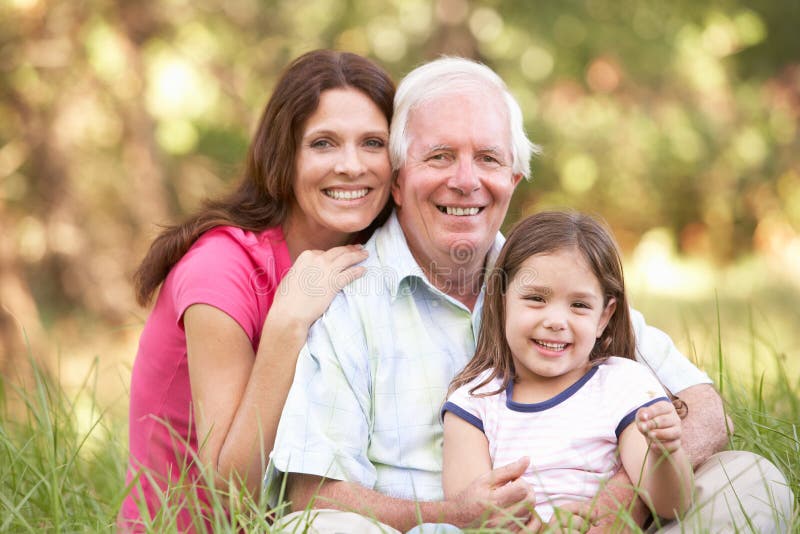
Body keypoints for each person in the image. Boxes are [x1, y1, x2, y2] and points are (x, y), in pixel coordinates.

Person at [267, 57, 793, 533]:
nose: (466, 180)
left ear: (513, 178)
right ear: (399, 180)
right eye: (441, 156)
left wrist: (624, 496)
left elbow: (705, 408)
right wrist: (455, 516)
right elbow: (313, 495)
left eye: (489, 159)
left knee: (751, 481)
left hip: (591, 525)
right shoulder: (350, 296)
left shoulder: (555, 281)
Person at [119, 49, 396, 531]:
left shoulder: (374, 260)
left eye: (373, 143)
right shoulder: (220, 269)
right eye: (324, 144)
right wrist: (288, 324)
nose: (352, 166)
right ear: (283, 154)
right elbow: (232, 489)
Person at [442, 211, 693, 532]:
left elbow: (672, 505)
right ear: (502, 301)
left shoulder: (625, 384)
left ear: (605, 316)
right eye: (535, 299)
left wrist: (665, 453)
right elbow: (469, 516)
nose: (556, 321)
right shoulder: (474, 404)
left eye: (579, 305)